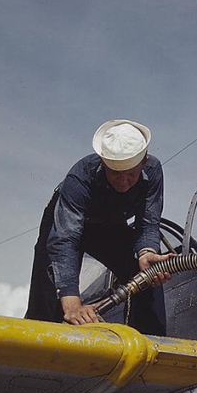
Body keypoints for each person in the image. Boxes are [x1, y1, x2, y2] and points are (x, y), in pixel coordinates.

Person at [25, 119, 173, 335]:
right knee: (48, 295)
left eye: (130, 174)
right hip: (64, 225)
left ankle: (151, 345)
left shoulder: (154, 171)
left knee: (146, 277)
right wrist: (72, 302)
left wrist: (147, 251)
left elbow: (148, 221)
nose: (123, 183)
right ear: (103, 164)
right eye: (115, 174)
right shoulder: (79, 177)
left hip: (109, 225)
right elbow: (65, 239)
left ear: (144, 161)